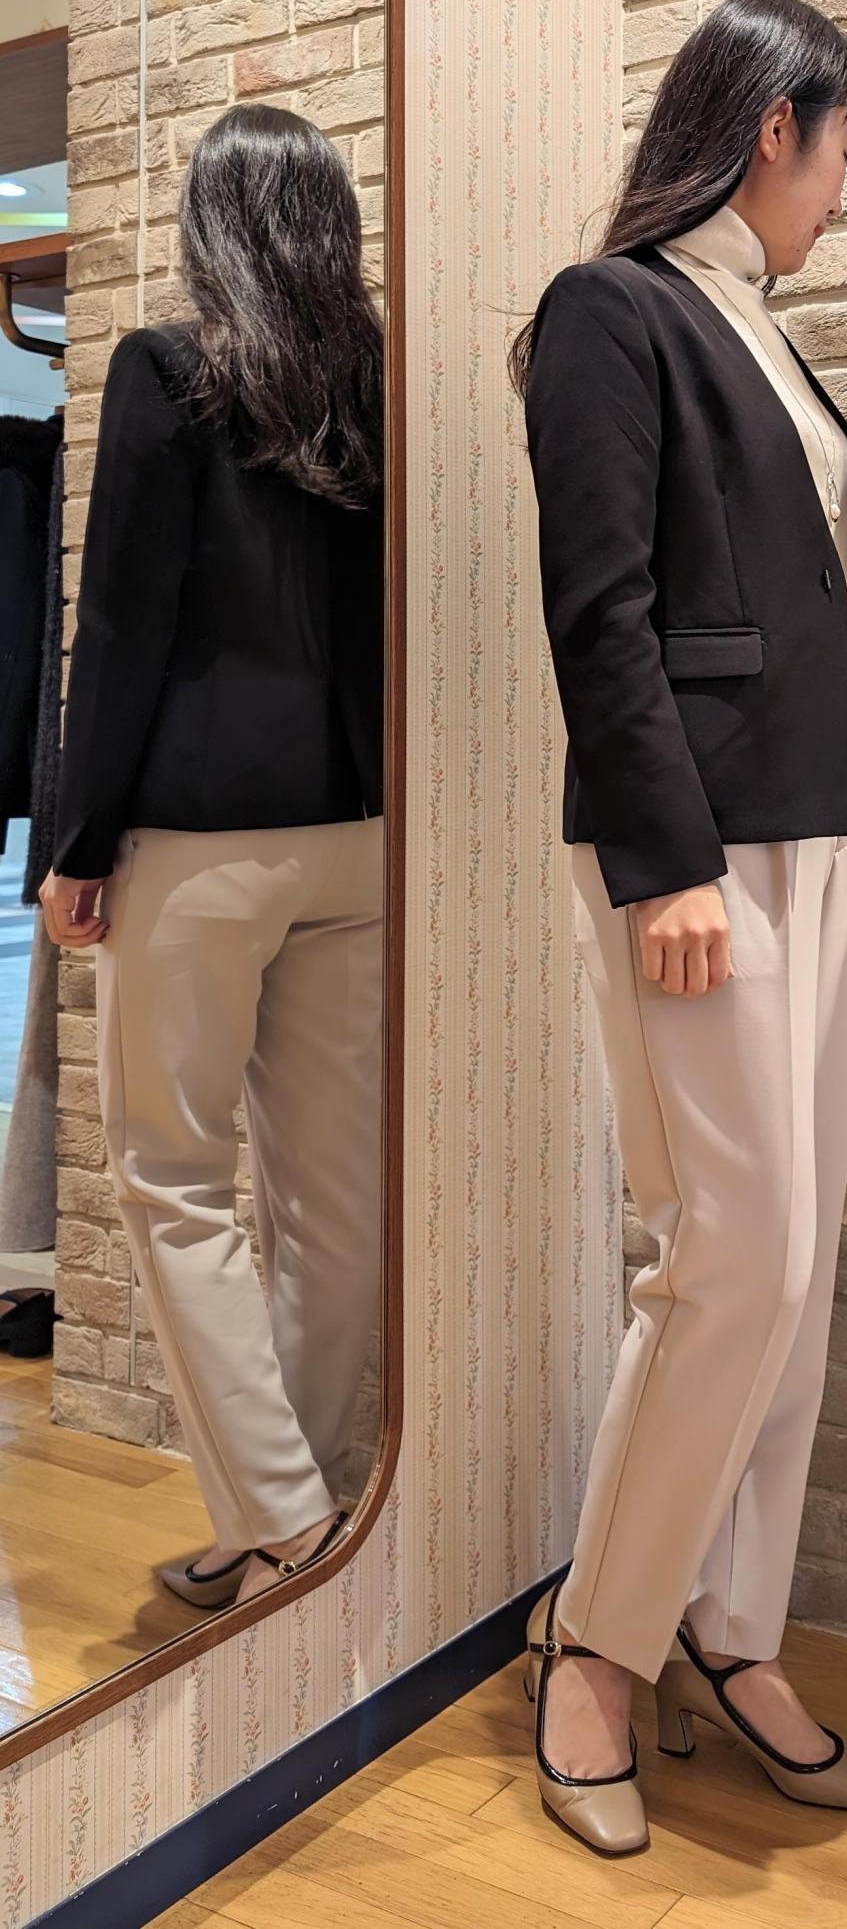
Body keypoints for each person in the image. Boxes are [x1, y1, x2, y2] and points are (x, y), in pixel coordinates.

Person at [515, 0, 847, 1853]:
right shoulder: (611, 311)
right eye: (842, 149)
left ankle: (732, 1624)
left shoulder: (769, 334)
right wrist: (664, 860)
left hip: (825, 823)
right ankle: (594, 1649)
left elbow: (765, 594)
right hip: (700, 848)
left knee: (796, 1269)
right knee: (732, 1254)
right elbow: (600, 609)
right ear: (774, 127)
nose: (842, 189)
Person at [40, 103, 386, 1610]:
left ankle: (285, 1521)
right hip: (359, 838)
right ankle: (288, 1527)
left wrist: (77, 836)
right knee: (333, 1202)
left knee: (171, 1178)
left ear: (208, 228)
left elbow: (121, 624)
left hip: (198, 842)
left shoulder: (167, 371)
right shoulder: (374, 387)